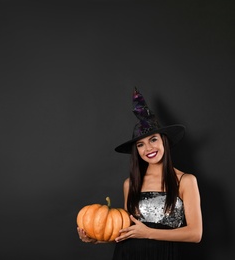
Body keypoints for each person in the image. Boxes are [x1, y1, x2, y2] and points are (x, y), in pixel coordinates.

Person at [77, 87, 203, 260]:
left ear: (164, 141)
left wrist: (148, 233)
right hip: (128, 254)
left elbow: (195, 234)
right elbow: (128, 230)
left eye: (153, 140)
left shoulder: (186, 180)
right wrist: (97, 238)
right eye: (140, 144)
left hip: (165, 255)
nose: (148, 148)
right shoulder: (130, 184)